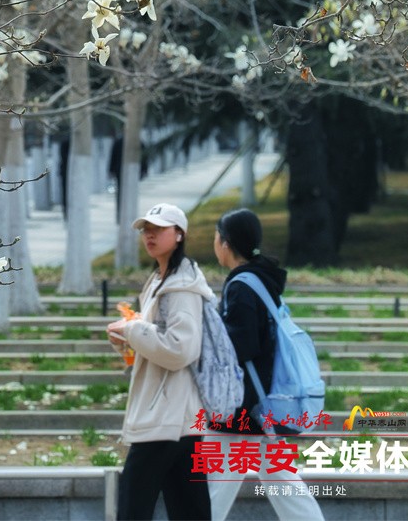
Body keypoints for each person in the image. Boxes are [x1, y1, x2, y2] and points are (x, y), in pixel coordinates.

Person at [210, 208, 324, 521]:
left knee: (212, 489)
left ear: (226, 243)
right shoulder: (262, 280)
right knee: (284, 484)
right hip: (263, 401)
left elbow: (242, 345)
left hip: (242, 404)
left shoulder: (241, 286)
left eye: (217, 236)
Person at [106, 202, 213, 521]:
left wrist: (132, 329)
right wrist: (128, 337)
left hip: (166, 415)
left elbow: (180, 348)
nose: (149, 235)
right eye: (146, 230)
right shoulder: (161, 279)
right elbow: (159, 340)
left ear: (179, 234)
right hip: (177, 415)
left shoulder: (181, 287)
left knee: (133, 507)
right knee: (189, 510)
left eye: (158, 229)